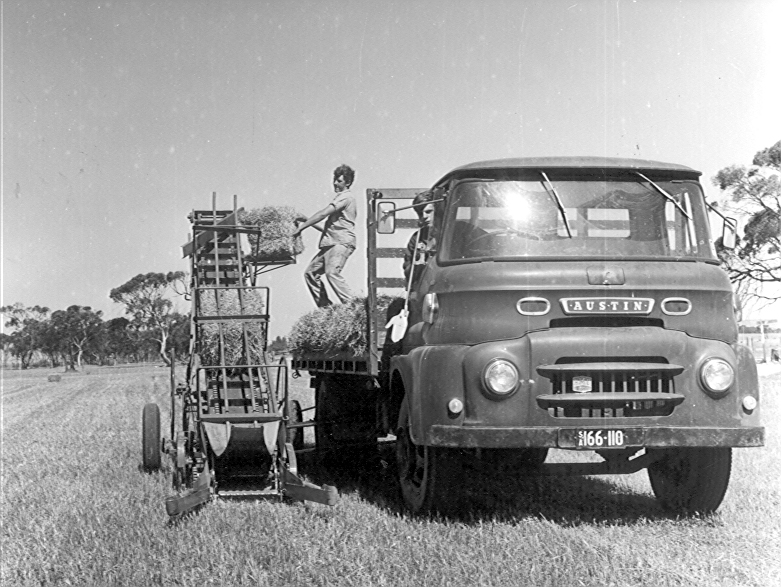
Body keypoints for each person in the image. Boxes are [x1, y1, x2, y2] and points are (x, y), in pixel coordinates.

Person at [292, 164, 357, 307]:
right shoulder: (341, 198)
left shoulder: (346, 197)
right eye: (334, 179)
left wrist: (302, 227)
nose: (335, 183)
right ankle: (326, 309)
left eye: (339, 181)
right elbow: (327, 228)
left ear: (348, 183)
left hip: (341, 243)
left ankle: (354, 306)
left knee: (331, 273)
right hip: (330, 243)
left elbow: (323, 214)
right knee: (310, 273)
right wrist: (306, 220)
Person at [402, 190, 435, 287]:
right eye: (421, 214)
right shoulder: (416, 238)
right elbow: (408, 273)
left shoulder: (459, 231)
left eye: (429, 212)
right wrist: (417, 265)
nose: (424, 216)